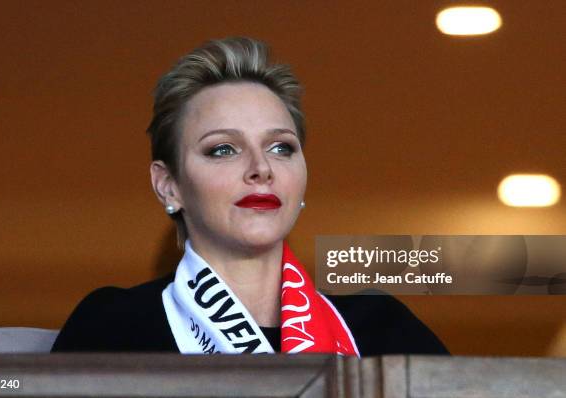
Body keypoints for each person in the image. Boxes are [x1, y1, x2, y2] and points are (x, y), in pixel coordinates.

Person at [51, 37, 448, 356]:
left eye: (282, 148)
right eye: (223, 149)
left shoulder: (380, 330)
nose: (262, 168)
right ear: (168, 185)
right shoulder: (117, 326)